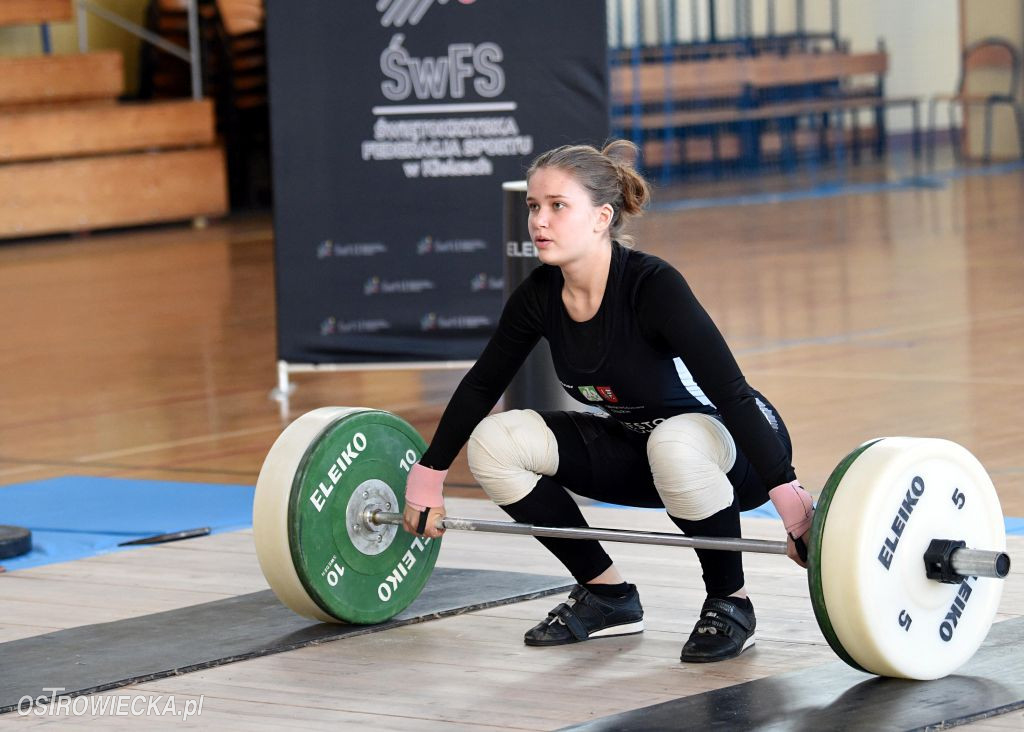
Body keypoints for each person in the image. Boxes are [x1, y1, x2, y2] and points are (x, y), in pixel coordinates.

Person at [402, 140, 814, 663]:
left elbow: (731, 393)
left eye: (557, 206)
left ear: (601, 217)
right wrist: (427, 477)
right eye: (534, 206)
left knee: (675, 441)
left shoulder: (652, 286)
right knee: (496, 442)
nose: (539, 221)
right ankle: (607, 595)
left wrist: (794, 508)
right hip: (644, 448)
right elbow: (482, 386)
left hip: (735, 448)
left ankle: (730, 602)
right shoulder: (539, 296)